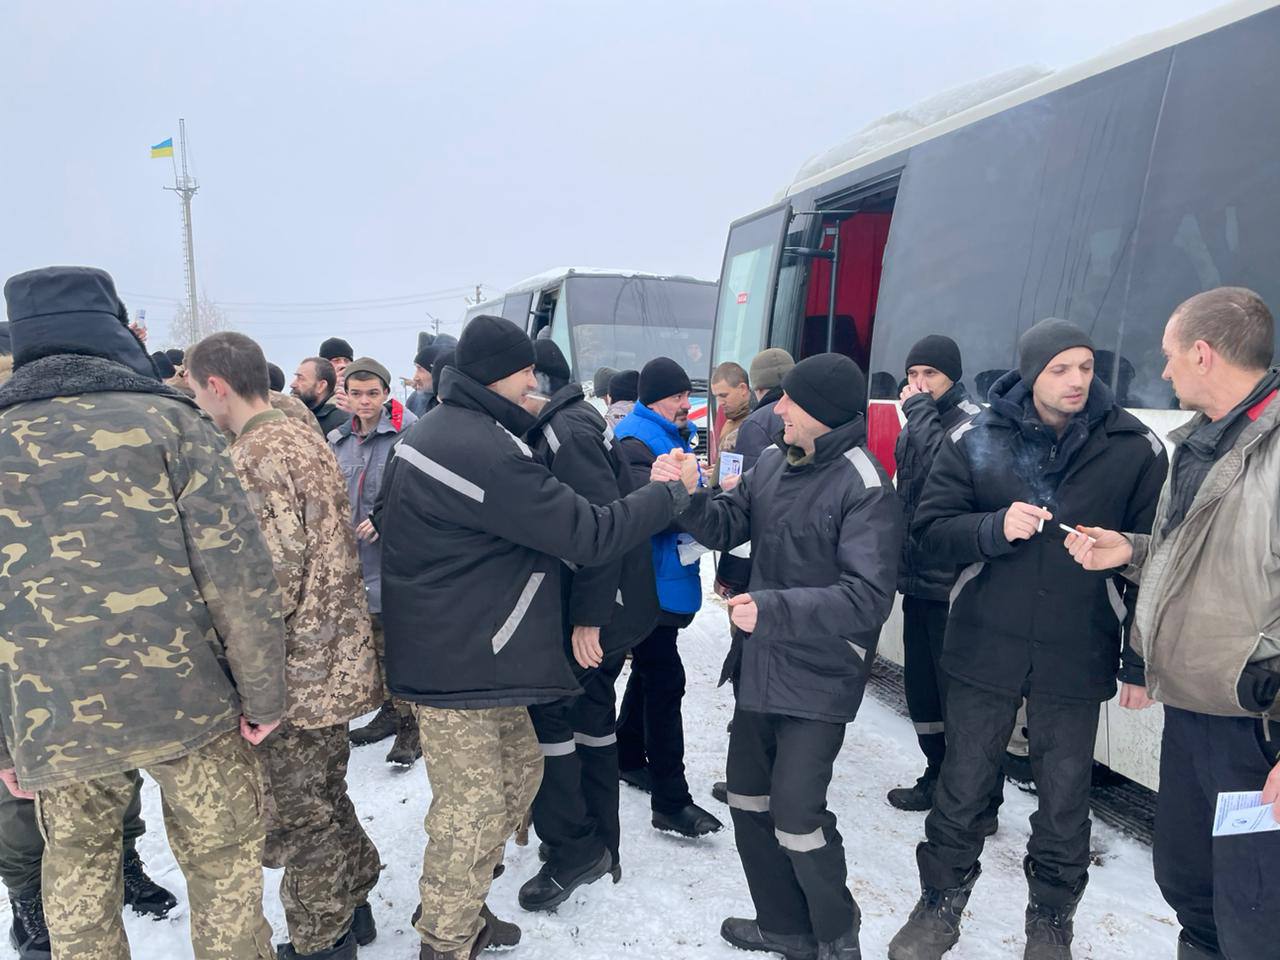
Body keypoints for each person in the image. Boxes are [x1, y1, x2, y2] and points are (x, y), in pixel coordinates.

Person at [375, 315, 698, 960]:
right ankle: (446, 939)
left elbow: (392, 516)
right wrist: (669, 494)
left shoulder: (450, 430)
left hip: (477, 650)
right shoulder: (478, 447)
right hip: (458, 659)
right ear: (501, 373)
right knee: (471, 809)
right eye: (526, 370)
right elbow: (590, 532)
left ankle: (462, 903)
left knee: (521, 769)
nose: (535, 380)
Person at [0, 265, 285, 960]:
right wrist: (264, 694)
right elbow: (237, 575)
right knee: (221, 862)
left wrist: (6, 742)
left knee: (76, 870)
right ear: (113, 327)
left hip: (53, 716)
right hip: (188, 701)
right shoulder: (172, 421)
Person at [888, 318, 1167, 960]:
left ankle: (1050, 921)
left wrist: (1136, 657)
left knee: (1065, 800)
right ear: (1032, 372)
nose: (1077, 381)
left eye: (1086, 367)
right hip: (985, 642)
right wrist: (993, 528)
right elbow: (930, 530)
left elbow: (1160, 559)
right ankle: (938, 906)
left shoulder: (1134, 447)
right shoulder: (977, 436)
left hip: (1077, 646)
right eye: (1060, 369)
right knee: (963, 785)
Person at [1063, 287, 1280, 960]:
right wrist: (1131, 551)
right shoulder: (1201, 442)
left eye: (1169, 355)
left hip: (1256, 730)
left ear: (1203, 354)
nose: (1162, 371)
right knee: (1191, 887)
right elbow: (1201, 558)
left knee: (1257, 913)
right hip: (1191, 713)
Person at [667, 352, 902, 960]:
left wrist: (772, 610)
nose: (780, 410)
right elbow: (728, 524)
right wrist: (687, 496)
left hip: (822, 671)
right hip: (761, 661)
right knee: (748, 798)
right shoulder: (774, 460)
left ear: (822, 410)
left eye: (792, 401)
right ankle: (783, 927)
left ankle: (836, 934)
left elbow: (868, 597)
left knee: (797, 815)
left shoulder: (865, 485)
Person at [187, 332, 385, 960]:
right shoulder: (300, 433)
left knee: (301, 819)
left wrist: (248, 677)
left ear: (217, 385)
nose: (197, 403)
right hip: (331, 658)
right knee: (323, 795)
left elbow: (268, 583)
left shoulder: (256, 456)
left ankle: (324, 939)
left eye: (195, 390)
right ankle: (355, 899)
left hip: (296, 672)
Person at [519, 341, 659, 911]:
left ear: (536, 381)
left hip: (600, 607)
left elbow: (603, 529)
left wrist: (588, 618)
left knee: (557, 716)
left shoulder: (566, 433)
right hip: (608, 604)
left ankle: (576, 847)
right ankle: (599, 839)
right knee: (590, 719)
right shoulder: (571, 420)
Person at [612, 358, 723, 838]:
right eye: (678, 397)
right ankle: (671, 800)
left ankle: (626, 753)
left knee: (650, 669)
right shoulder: (637, 442)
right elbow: (649, 510)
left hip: (663, 575)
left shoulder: (666, 434)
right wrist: (701, 496)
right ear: (655, 398)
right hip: (647, 581)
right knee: (664, 679)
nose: (686, 404)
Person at [887, 335, 983, 812]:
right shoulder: (917, 422)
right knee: (922, 690)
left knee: (959, 696)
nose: (920, 384)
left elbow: (943, 467)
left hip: (955, 585)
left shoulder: (972, 423)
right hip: (917, 579)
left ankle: (976, 797)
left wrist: (920, 412)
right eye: (913, 375)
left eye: (931, 374)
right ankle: (937, 774)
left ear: (953, 377)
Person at [329, 359, 419, 763]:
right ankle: (389, 711)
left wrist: (387, 519)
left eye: (372, 394)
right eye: (356, 394)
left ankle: (412, 725)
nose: (364, 402)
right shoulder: (337, 440)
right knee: (374, 645)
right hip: (355, 563)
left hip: (396, 560)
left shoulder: (408, 435)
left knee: (402, 646)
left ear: (386, 394)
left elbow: (420, 492)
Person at [710, 360, 753, 484]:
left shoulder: (755, 424)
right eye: (717, 397)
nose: (720, 403)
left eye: (724, 395)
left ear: (743, 389)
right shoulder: (731, 420)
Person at [292, 356, 348, 435]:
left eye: (301, 378)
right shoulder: (295, 414)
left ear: (321, 386)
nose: (293, 384)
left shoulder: (340, 422)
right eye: (296, 378)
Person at [320, 337, 354, 412]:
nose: (343, 365)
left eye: (347, 360)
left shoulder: (362, 387)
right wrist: (331, 387)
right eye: (336, 360)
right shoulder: (314, 390)